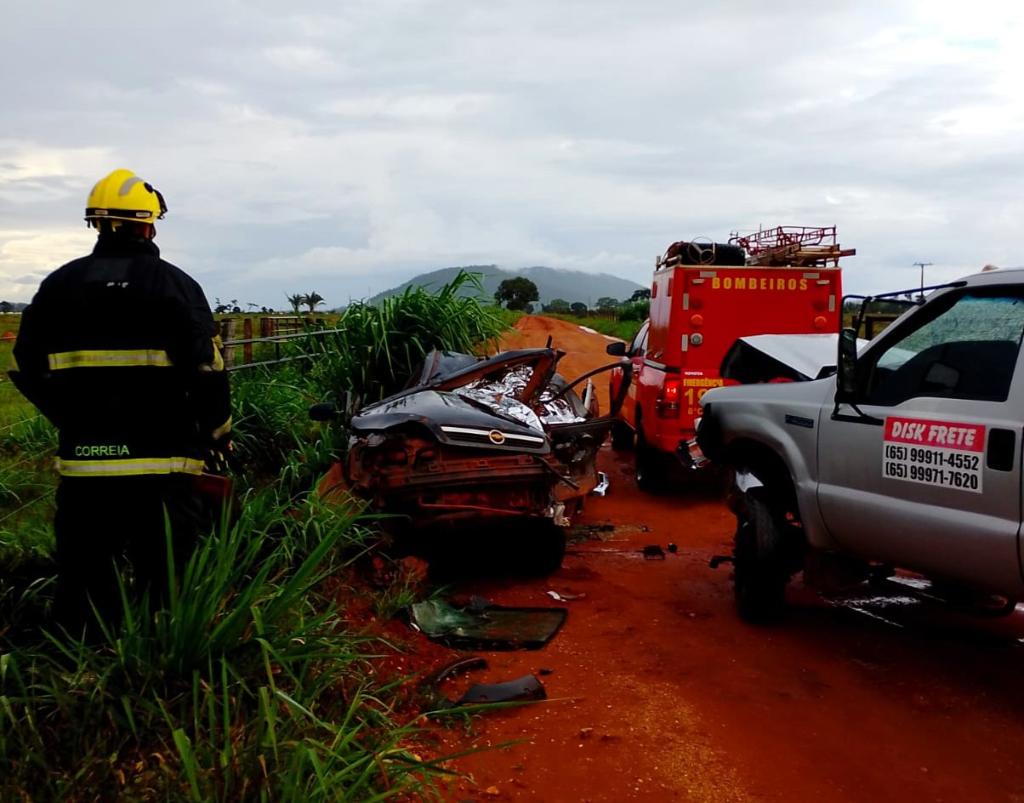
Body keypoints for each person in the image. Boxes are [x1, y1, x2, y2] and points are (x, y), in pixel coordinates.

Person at [10, 168, 231, 631]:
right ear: (149, 225)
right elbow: (208, 372)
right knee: (166, 586)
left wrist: (72, 419)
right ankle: (161, 673)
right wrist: (215, 434)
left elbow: (26, 365)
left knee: (85, 584)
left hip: (85, 470)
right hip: (165, 468)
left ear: (96, 223)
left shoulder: (58, 287)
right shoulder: (176, 286)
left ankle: (82, 672)